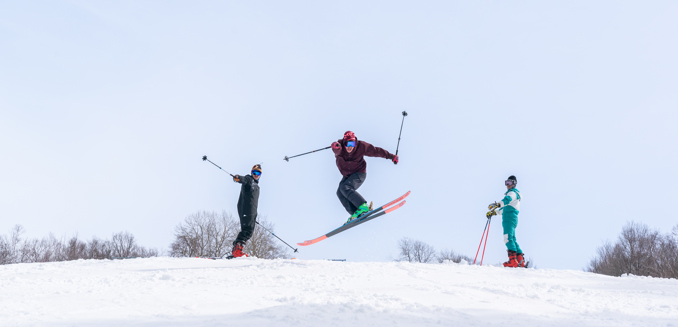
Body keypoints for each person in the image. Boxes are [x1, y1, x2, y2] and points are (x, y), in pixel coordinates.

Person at [331, 131, 398, 224]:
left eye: (352, 143)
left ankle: (363, 207)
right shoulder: (341, 148)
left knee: (345, 187)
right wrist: (335, 147)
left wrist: (391, 156)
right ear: (344, 143)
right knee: (339, 192)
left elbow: (376, 151)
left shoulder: (361, 147)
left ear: (355, 143)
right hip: (347, 175)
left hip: (359, 173)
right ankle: (356, 214)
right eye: (347, 144)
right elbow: (337, 151)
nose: (350, 146)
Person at [488, 175, 525, 268]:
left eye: (509, 183)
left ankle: (513, 261)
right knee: (512, 239)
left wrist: (498, 204)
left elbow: (507, 200)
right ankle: (520, 260)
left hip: (509, 218)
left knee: (507, 238)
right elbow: (503, 209)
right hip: (510, 217)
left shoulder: (512, 193)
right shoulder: (514, 195)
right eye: (506, 183)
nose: (507, 185)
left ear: (514, 184)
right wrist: (494, 213)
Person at [230, 164, 262, 258]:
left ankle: (236, 249)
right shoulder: (249, 180)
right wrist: (238, 178)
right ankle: (237, 251)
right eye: (254, 172)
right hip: (246, 209)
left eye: (258, 173)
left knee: (249, 231)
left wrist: (253, 216)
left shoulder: (256, 185)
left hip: (251, 211)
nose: (256, 174)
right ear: (251, 172)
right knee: (247, 230)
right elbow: (243, 179)